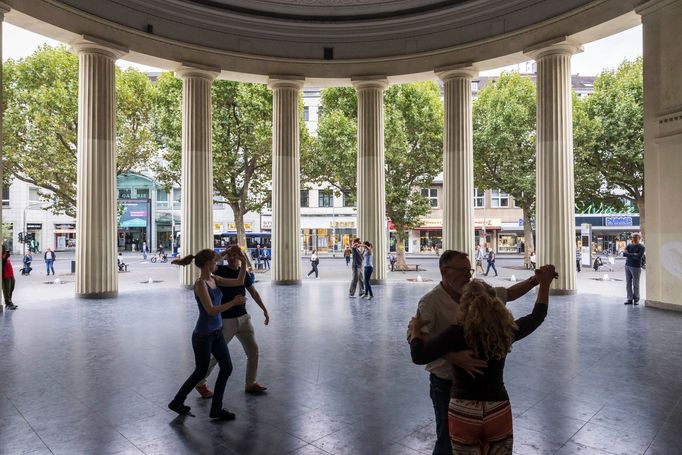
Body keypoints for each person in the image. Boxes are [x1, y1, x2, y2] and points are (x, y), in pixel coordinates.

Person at [409, 266, 556, 454]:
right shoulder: (505, 331)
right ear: (494, 304)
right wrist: (544, 284)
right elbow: (537, 316)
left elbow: (419, 356)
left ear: (465, 304)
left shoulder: (456, 333)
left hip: (463, 410)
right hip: (498, 408)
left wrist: (415, 332)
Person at [168, 248, 248, 420]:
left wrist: (244, 261)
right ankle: (177, 402)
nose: (217, 263)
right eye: (215, 261)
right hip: (203, 336)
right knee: (200, 372)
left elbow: (239, 281)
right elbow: (211, 310)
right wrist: (234, 302)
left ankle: (216, 409)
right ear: (207, 264)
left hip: (217, 332)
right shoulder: (200, 284)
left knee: (226, 367)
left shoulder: (214, 279)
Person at [195, 245, 270, 398]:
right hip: (226, 320)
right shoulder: (219, 271)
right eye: (230, 256)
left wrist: (264, 309)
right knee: (217, 356)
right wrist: (224, 252)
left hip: (243, 318)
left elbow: (252, 291)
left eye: (235, 256)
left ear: (240, 258)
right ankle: (200, 382)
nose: (231, 258)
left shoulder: (243, 274)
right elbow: (210, 263)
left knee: (253, 351)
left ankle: (250, 383)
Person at [623, 233, 645, 305]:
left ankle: (636, 299)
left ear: (639, 238)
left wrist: (629, 254)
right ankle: (629, 298)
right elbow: (624, 254)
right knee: (628, 283)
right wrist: (633, 254)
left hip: (636, 267)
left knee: (636, 284)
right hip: (627, 266)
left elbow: (638, 257)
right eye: (633, 237)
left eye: (636, 237)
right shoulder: (629, 245)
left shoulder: (641, 247)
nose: (634, 239)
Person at [2, 246, 17, 310]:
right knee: (6, 290)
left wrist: (6, 256)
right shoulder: (2, 256)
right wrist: (5, 257)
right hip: (5, 275)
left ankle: (10, 301)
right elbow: (2, 264)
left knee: (11, 288)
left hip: (11, 274)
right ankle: (8, 303)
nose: (6, 250)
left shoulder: (5, 255)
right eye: (4, 249)